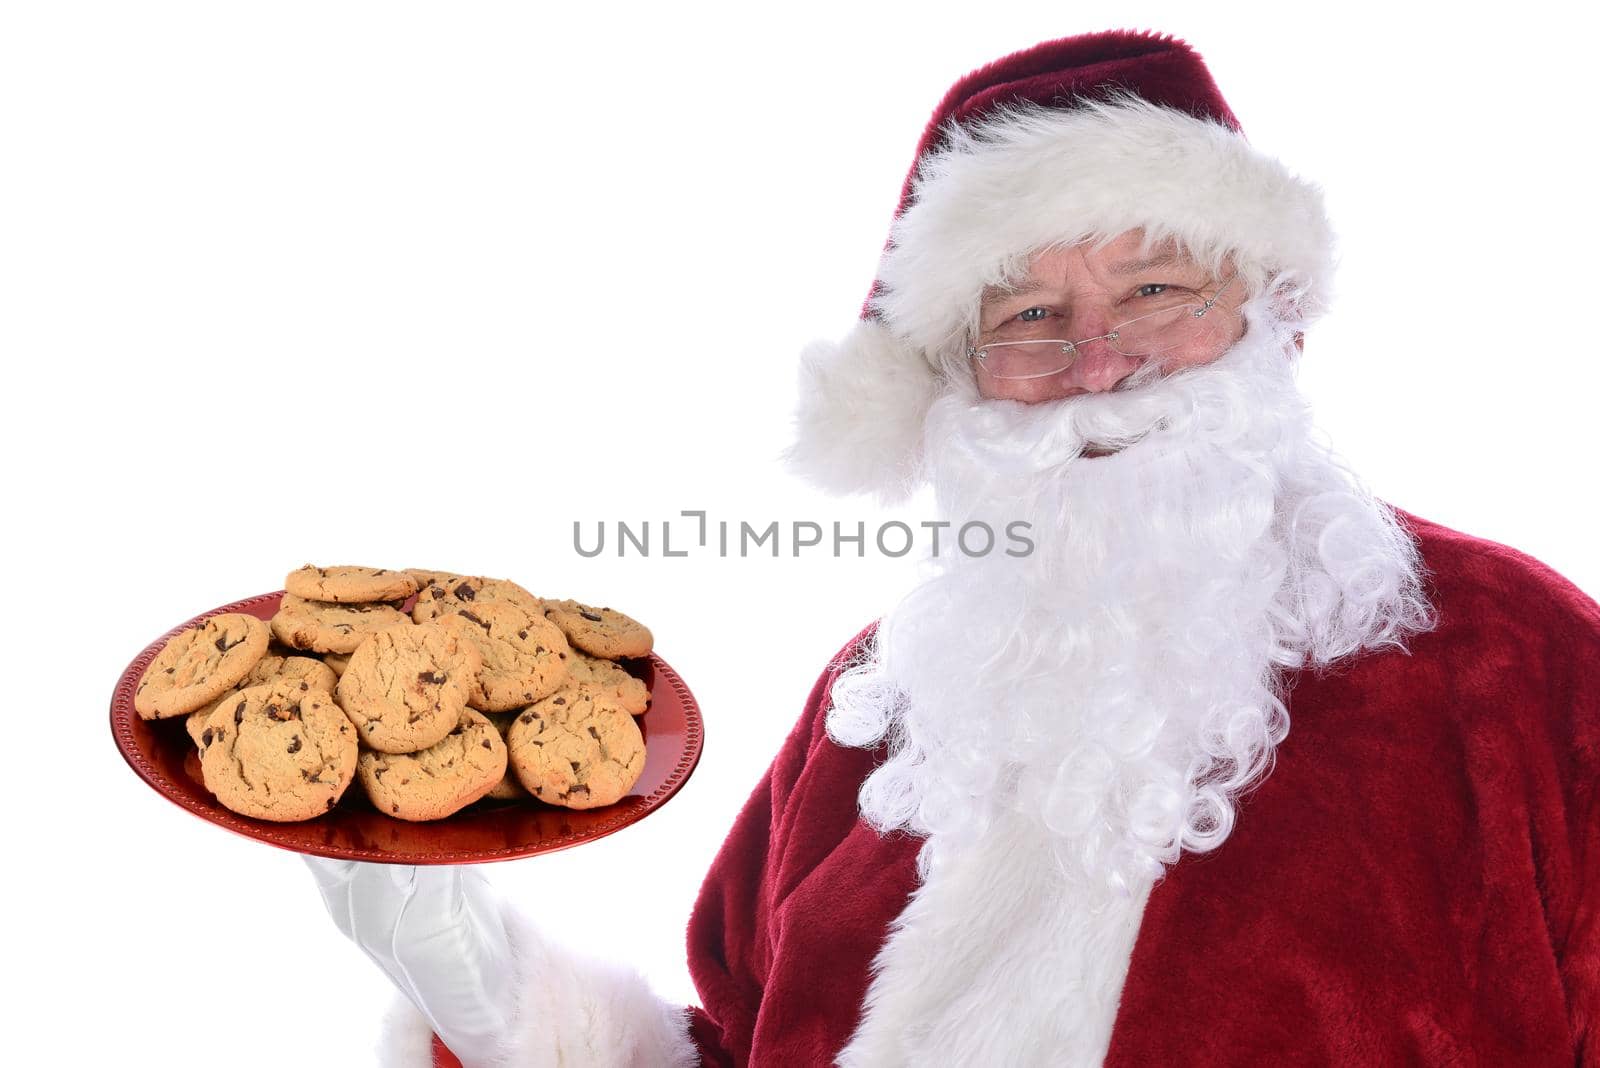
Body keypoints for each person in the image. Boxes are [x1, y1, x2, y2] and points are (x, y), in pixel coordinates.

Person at [307, 29, 1600, 1066]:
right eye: (1030, 315)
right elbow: (750, 1044)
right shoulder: (875, 706)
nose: (1099, 361)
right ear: (953, 388)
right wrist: (495, 1012)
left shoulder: (1519, 662)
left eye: (1158, 290)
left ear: (1278, 319)